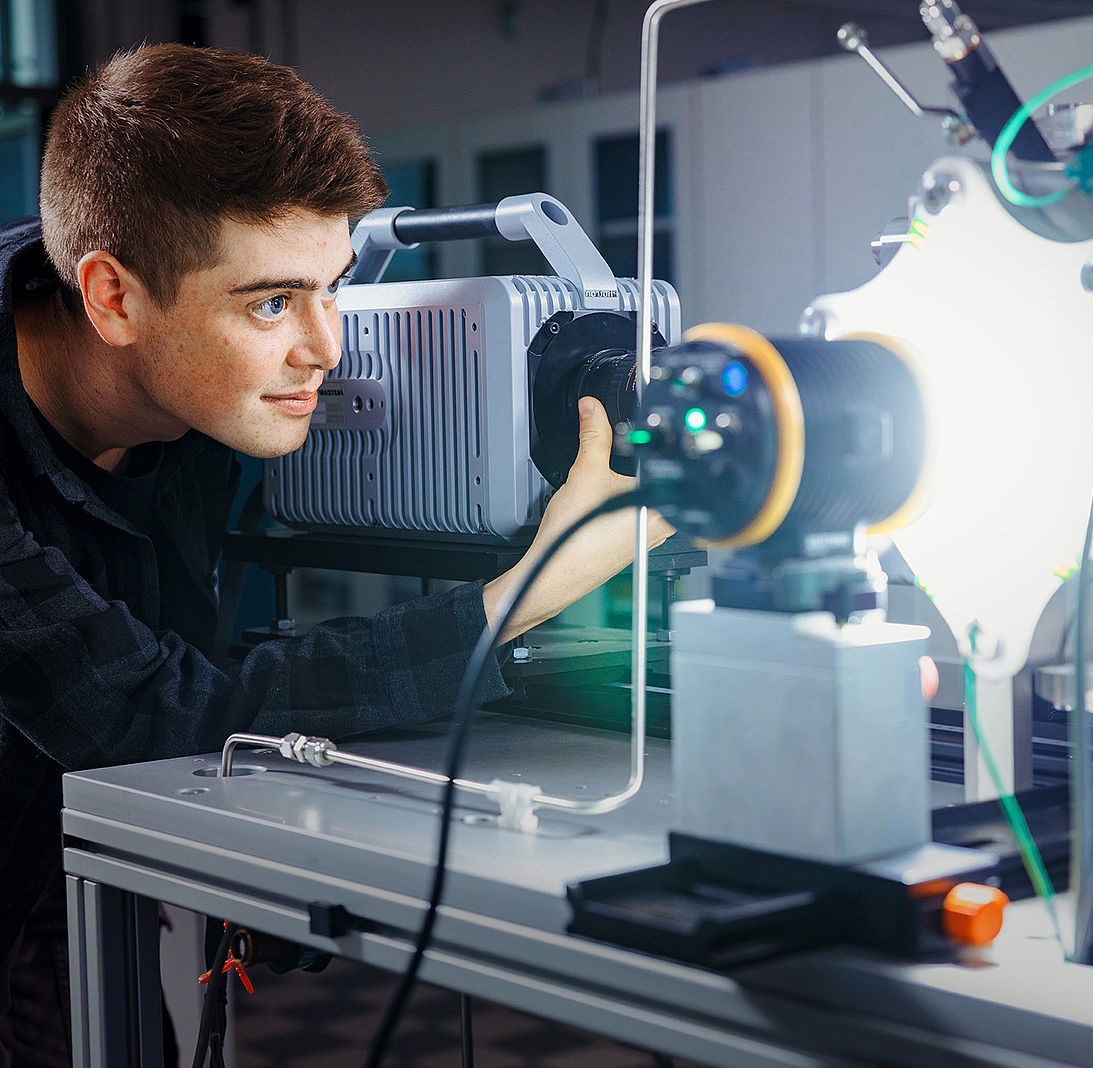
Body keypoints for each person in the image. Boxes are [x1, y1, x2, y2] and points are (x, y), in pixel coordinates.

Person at [0, 43, 665, 1066]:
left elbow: (184, 688)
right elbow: (147, 711)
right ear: (114, 298)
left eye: (336, 286)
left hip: (61, 891)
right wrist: (529, 588)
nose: (329, 347)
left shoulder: (189, 399)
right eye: (272, 301)